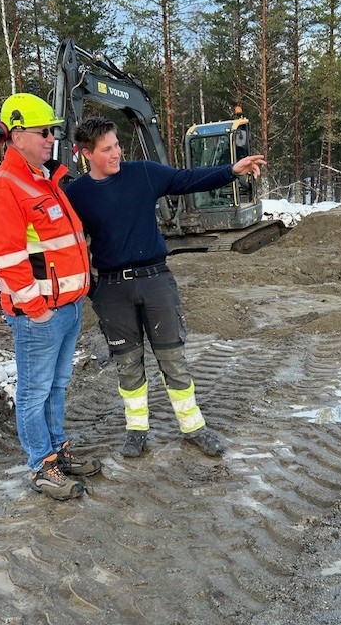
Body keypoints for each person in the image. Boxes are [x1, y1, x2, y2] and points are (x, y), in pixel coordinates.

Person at [65, 116, 267, 458]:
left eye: (117, 145)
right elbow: (70, 242)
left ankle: (193, 427)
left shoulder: (142, 172)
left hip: (156, 280)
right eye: (106, 149)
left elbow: (187, 179)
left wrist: (231, 170)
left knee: (173, 359)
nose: (116, 153)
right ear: (85, 153)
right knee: (127, 364)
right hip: (112, 290)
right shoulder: (76, 194)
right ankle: (136, 431)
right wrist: (90, 288)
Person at [0, 93, 101, 501]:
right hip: (40, 315)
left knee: (58, 386)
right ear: (16, 136)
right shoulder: (4, 188)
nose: (52, 138)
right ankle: (41, 465)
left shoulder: (44, 180)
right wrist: (36, 311)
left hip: (68, 306)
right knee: (35, 390)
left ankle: (58, 449)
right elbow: (11, 262)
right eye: (43, 131)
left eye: (53, 131)